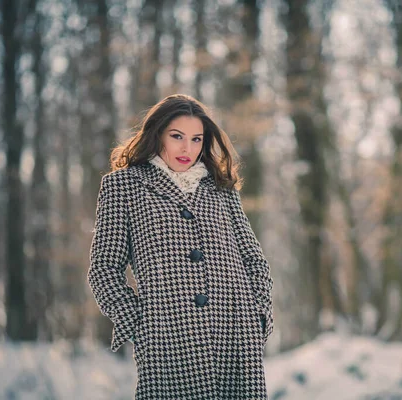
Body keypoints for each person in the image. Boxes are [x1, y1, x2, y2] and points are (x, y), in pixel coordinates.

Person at [87, 94, 273, 399]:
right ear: (157, 134)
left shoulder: (220, 188)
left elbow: (253, 259)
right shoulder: (123, 187)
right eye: (177, 137)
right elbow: (104, 270)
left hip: (236, 338)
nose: (188, 148)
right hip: (169, 341)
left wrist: (259, 315)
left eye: (197, 139)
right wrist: (141, 326)